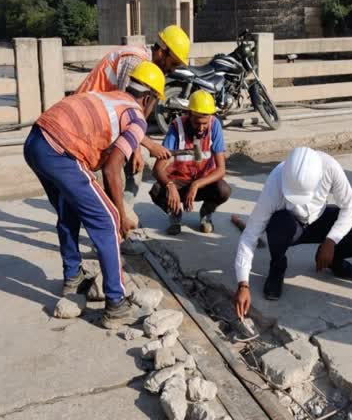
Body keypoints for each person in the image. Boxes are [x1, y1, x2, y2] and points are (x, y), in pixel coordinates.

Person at [23, 61, 165, 328]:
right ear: (149, 98)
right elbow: (112, 169)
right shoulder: (136, 116)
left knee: (69, 210)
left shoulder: (110, 97)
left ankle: (73, 277)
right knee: (108, 220)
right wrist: (121, 215)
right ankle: (115, 304)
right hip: (60, 150)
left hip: (35, 142)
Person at [232, 147, 352, 317]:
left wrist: (331, 241)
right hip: (291, 225)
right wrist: (243, 284)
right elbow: (250, 235)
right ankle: (277, 267)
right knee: (279, 224)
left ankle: (333, 259)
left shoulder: (329, 167)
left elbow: (350, 206)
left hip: (320, 217)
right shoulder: (275, 181)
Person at [75, 25, 191, 216]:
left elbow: (139, 114)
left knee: (133, 172)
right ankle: (115, 223)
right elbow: (125, 109)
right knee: (105, 178)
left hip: (108, 120)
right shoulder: (134, 61)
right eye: (174, 62)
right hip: (88, 121)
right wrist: (147, 145)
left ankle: (124, 217)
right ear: (162, 51)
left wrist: (137, 142)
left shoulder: (155, 73)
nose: (173, 69)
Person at [150, 90, 230, 235]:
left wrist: (196, 184)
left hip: (203, 183)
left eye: (204, 124)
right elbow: (157, 169)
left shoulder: (215, 125)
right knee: (157, 191)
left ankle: (206, 213)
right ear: (189, 114)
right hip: (179, 181)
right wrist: (170, 185)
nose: (201, 128)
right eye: (196, 122)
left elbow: (221, 170)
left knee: (223, 190)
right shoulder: (176, 127)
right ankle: (175, 213)